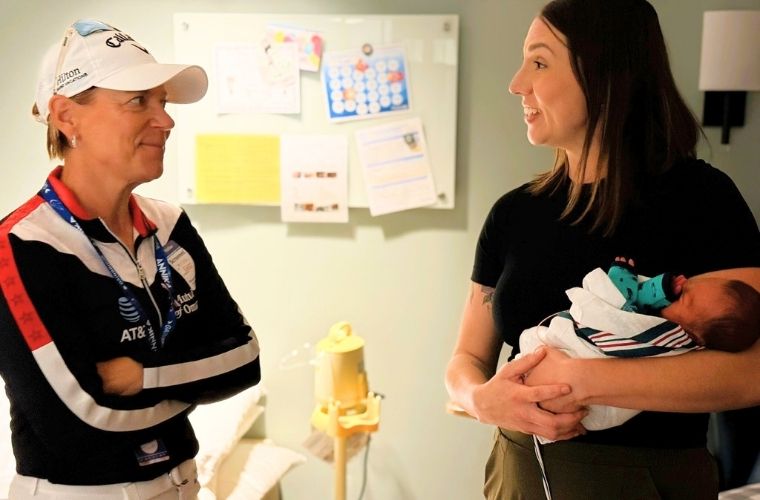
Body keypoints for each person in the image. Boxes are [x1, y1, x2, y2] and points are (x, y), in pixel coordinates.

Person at [444, 0, 760, 498]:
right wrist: (481, 401)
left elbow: (750, 373)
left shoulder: (702, 200)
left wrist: (582, 380)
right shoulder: (512, 214)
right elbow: (466, 357)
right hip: (517, 472)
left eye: (540, 62)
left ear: (605, 75)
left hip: (645, 480)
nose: (517, 84)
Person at [0, 19, 261, 499]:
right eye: (138, 101)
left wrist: (144, 376)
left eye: (162, 101)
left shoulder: (169, 224)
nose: (166, 120)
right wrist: (193, 384)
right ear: (67, 117)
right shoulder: (24, 244)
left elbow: (244, 360)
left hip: (183, 483)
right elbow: (76, 422)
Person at [519, 258, 760, 442]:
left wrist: (617, 284)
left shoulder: (661, 337)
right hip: (517, 425)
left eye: (686, 297)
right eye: (691, 284)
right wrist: (483, 400)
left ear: (695, 336)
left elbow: (610, 318)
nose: (681, 283)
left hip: (585, 420)